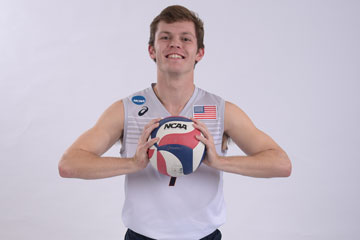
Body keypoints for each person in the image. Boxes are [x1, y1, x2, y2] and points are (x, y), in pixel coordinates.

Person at [58, 5, 291, 240]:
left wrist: (218, 161)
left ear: (199, 52)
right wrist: (133, 163)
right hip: (142, 236)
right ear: (152, 50)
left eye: (186, 38)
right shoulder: (127, 109)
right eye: (165, 37)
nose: (175, 44)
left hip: (204, 236)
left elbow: (281, 164)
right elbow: (69, 164)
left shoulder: (221, 110)